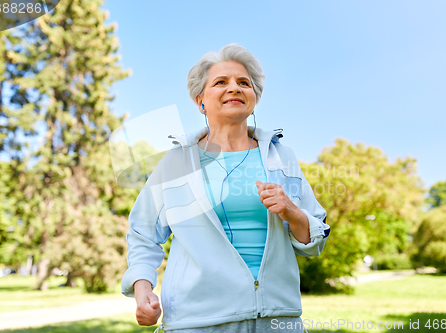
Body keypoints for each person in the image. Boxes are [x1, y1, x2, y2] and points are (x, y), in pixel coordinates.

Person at [121, 43, 330, 333]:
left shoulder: (281, 157)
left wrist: (293, 213)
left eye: (243, 83)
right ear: (200, 101)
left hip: (277, 321)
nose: (234, 88)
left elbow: (315, 241)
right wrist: (142, 291)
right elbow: (143, 233)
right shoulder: (177, 162)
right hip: (198, 322)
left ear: (254, 97)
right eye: (221, 82)